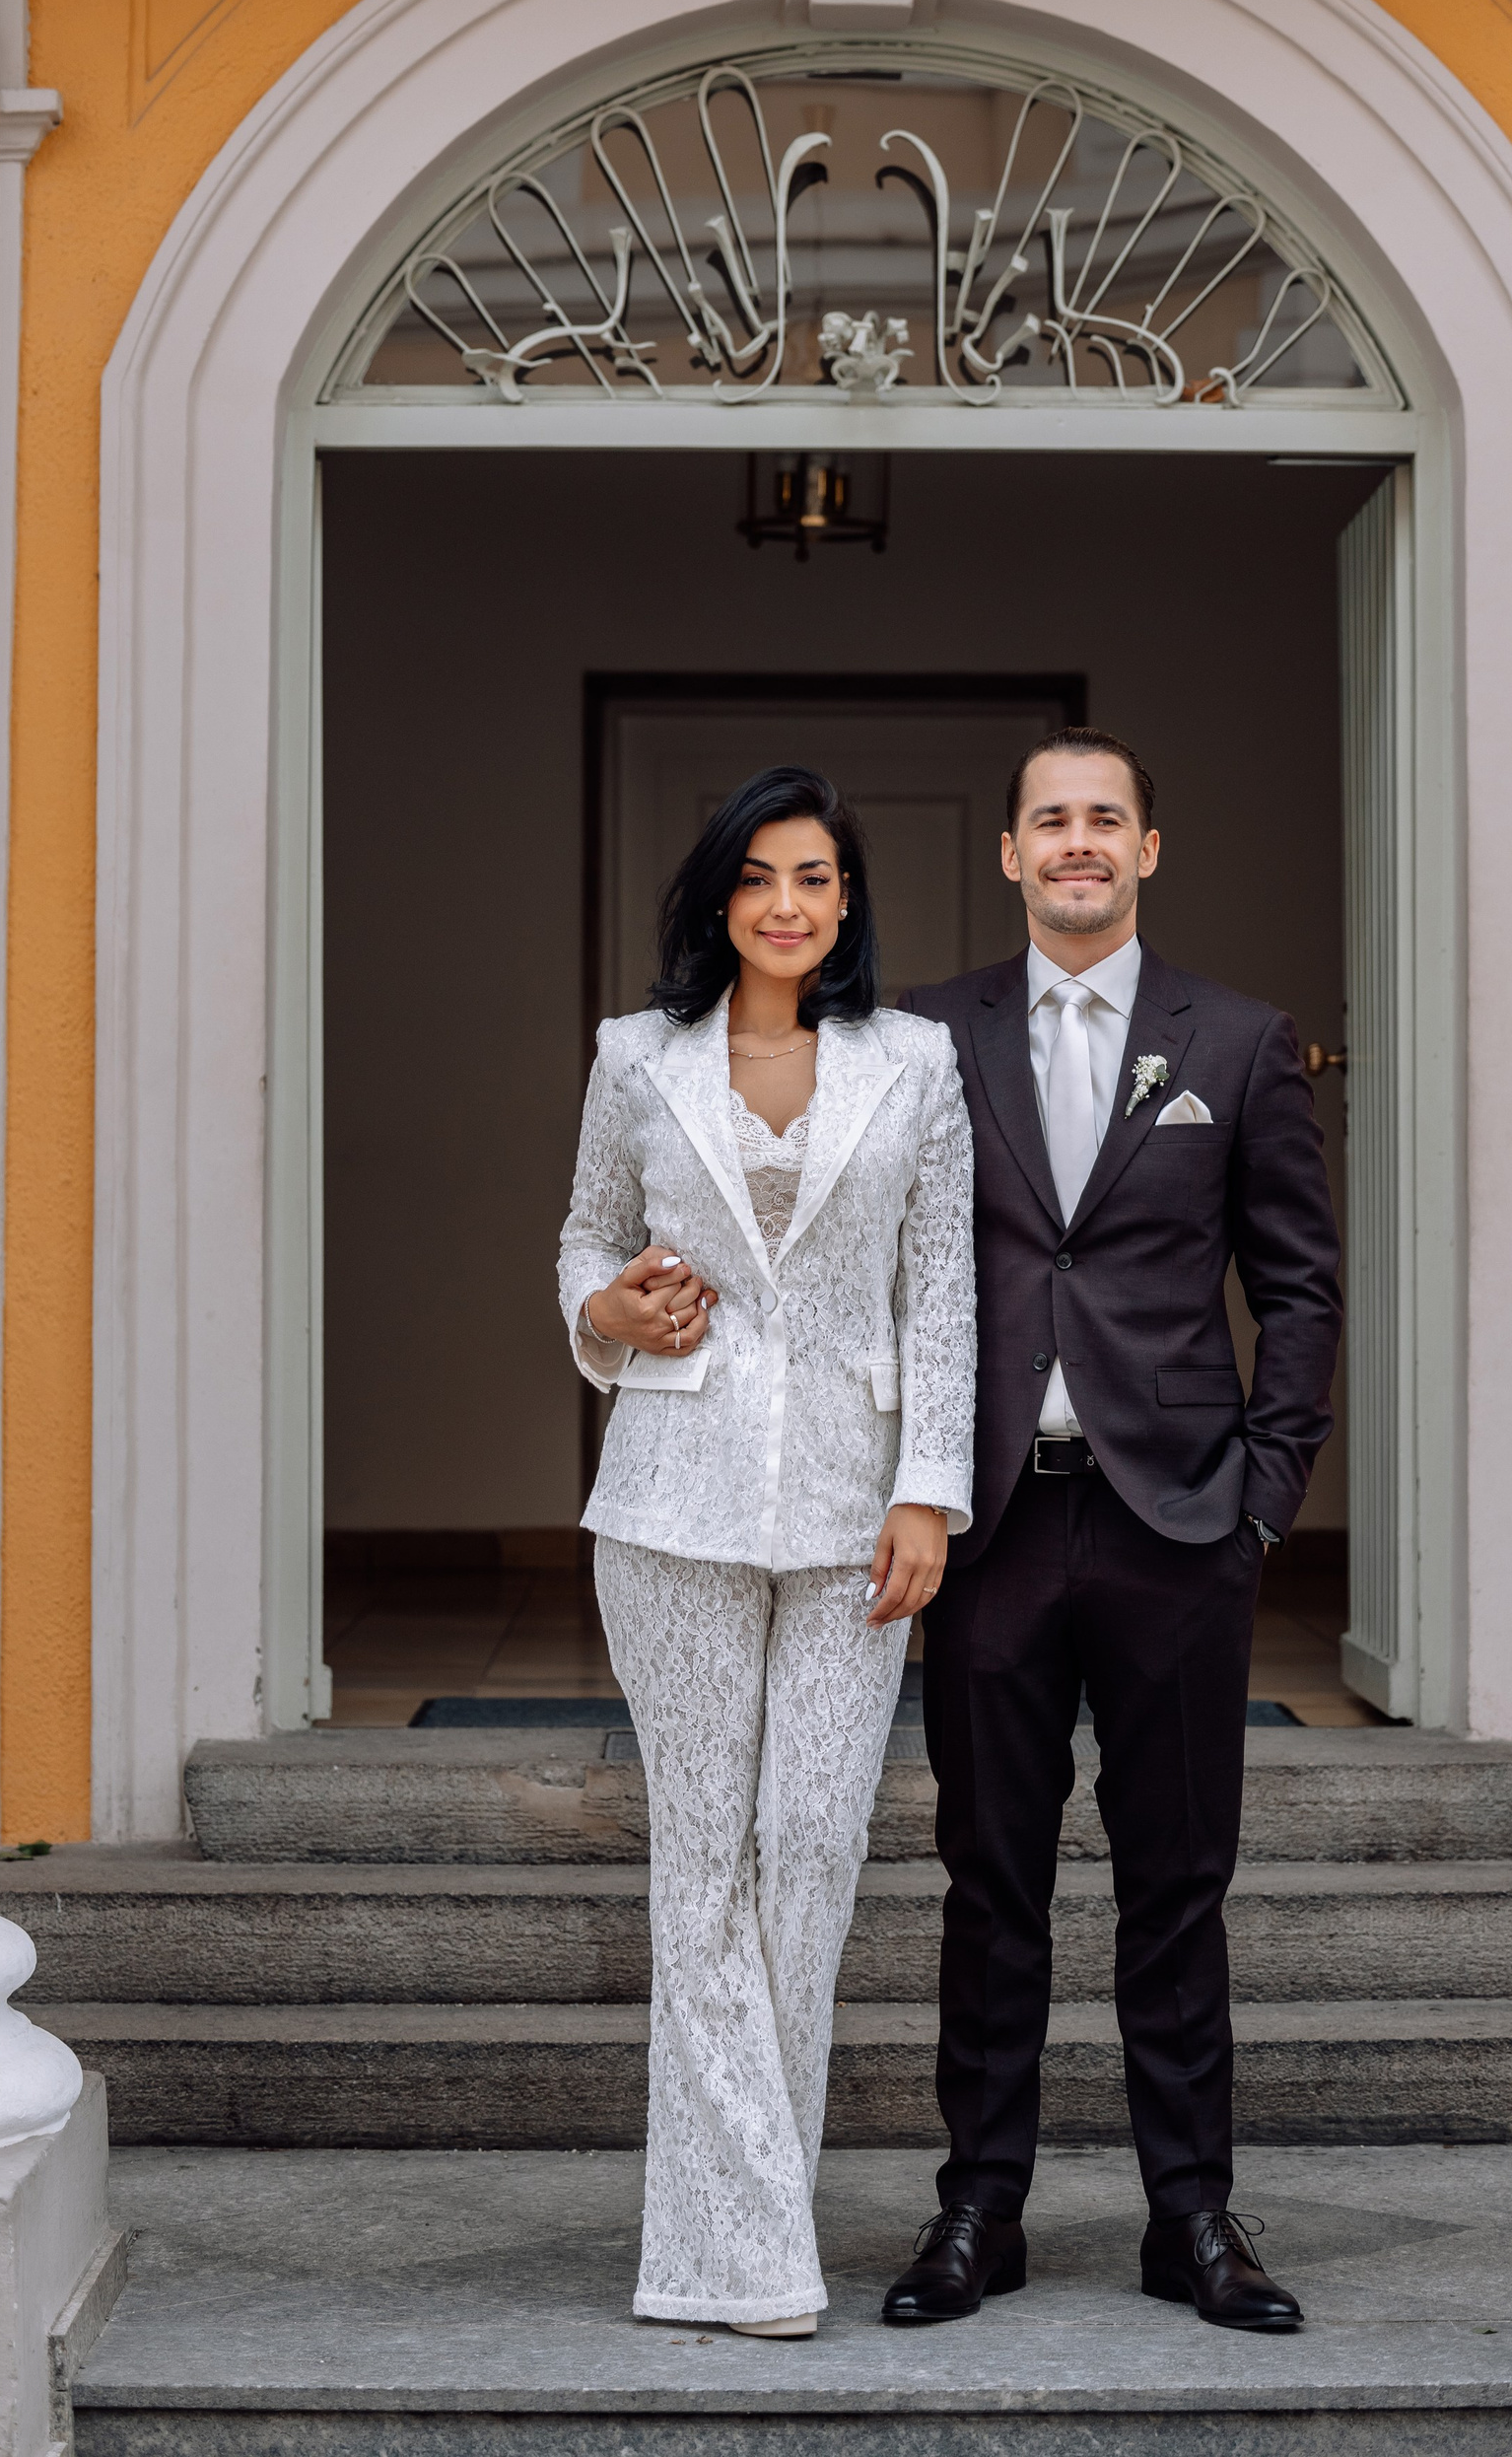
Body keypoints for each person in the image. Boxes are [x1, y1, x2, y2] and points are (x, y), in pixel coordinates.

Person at [885, 726, 1341, 2336]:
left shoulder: (1242, 1041)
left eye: (1105, 818)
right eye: (1050, 819)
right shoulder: (924, 1037)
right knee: (987, 1883)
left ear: (1148, 848)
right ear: (1011, 853)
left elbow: (1298, 1286)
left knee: (1178, 1883)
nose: (1077, 841)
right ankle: (979, 2209)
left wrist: (1263, 1499)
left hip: (1178, 1524)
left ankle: (1193, 2217)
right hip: (993, 1525)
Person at [557, 764, 975, 2340]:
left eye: (812, 876)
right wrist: (605, 1313)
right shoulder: (637, 1057)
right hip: (671, 1500)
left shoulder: (914, 1063)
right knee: (703, 1857)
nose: (785, 903)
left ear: (847, 901)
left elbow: (944, 1290)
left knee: (808, 1845)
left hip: (860, 1509)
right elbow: (587, 1238)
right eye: (756, 876)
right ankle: (744, 2254)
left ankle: (734, 2229)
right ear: (718, 899)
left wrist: (929, 1488)